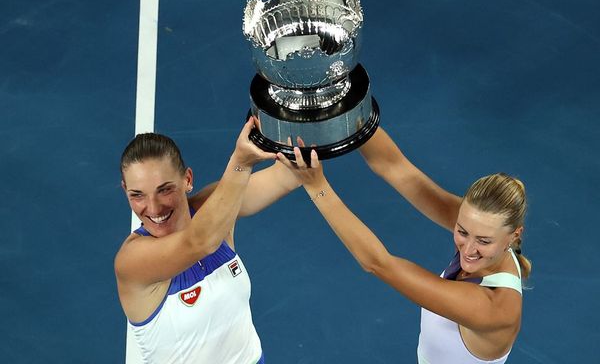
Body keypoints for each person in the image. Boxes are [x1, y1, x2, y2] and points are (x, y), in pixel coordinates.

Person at [277, 128, 532, 364]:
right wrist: (351, 114)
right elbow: (393, 167)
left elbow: (377, 263)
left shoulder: (493, 308)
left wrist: (316, 186)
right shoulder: (485, 228)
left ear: (514, 234)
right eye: (462, 232)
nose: (467, 249)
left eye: (483, 241)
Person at [114, 118, 299, 363]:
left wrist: (316, 123)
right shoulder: (132, 261)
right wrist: (241, 162)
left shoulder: (214, 208)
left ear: (187, 180)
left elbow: (290, 175)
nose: (153, 207)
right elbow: (199, 242)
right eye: (137, 195)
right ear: (125, 190)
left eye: (164, 189)